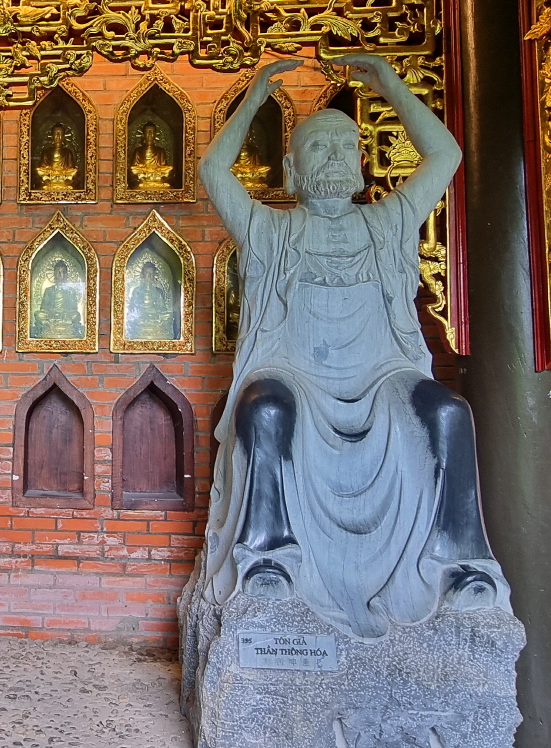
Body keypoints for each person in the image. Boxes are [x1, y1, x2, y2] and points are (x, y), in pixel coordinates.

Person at [195, 55, 508, 639]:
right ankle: (268, 555)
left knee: (448, 413)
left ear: (363, 164)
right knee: (264, 410)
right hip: (292, 372)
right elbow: (213, 169)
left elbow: (446, 156)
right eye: (320, 147)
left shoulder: (389, 222)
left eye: (346, 146)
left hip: (382, 375)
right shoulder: (269, 229)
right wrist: (255, 97)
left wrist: (393, 86)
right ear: (291, 169)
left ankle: (458, 560)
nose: (336, 156)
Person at [34, 260, 83, 339]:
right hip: (51, 315)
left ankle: (54, 326)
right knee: (38, 314)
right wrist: (53, 312)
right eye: (58, 272)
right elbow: (43, 308)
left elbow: (73, 309)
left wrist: (64, 312)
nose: (61, 275)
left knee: (76, 315)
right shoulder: (49, 290)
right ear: (54, 274)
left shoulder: (71, 291)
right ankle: (46, 327)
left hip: (65, 316)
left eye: (63, 272)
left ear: (67, 274)